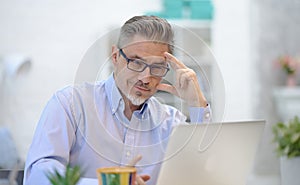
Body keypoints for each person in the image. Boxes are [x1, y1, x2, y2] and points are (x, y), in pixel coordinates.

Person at [23, 15, 211, 185]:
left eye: (158, 67)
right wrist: (109, 183)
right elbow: (38, 175)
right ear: (115, 56)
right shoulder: (70, 104)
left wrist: (197, 104)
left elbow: (206, 172)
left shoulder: (171, 122)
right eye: (136, 62)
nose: (146, 78)